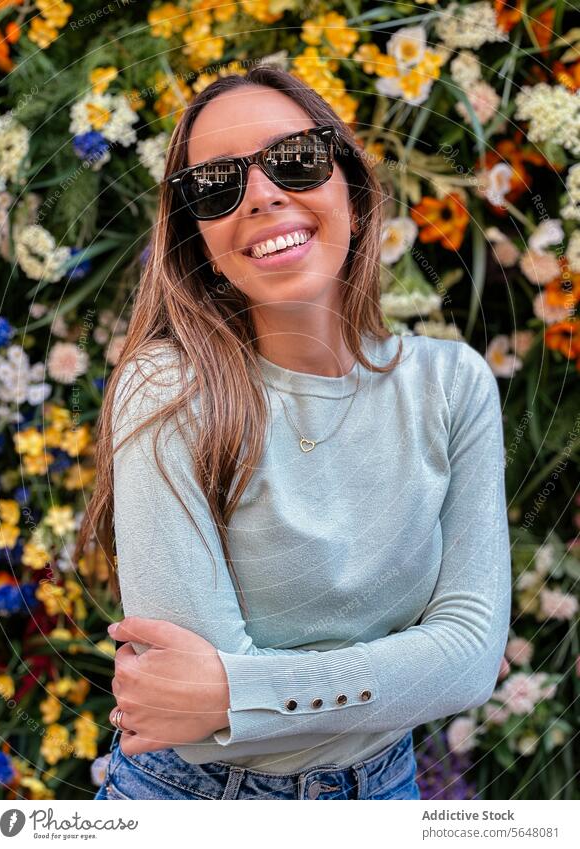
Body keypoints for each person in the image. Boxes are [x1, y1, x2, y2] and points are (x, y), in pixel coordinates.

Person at [77, 65, 512, 801]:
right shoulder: (170, 387)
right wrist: (396, 676)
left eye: (295, 160)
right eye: (216, 184)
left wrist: (235, 696)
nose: (263, 195)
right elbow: (180, 709)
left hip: (388, 792)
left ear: (351, 181)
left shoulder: (452, 384)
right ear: (196, 233)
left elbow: (470, 656)